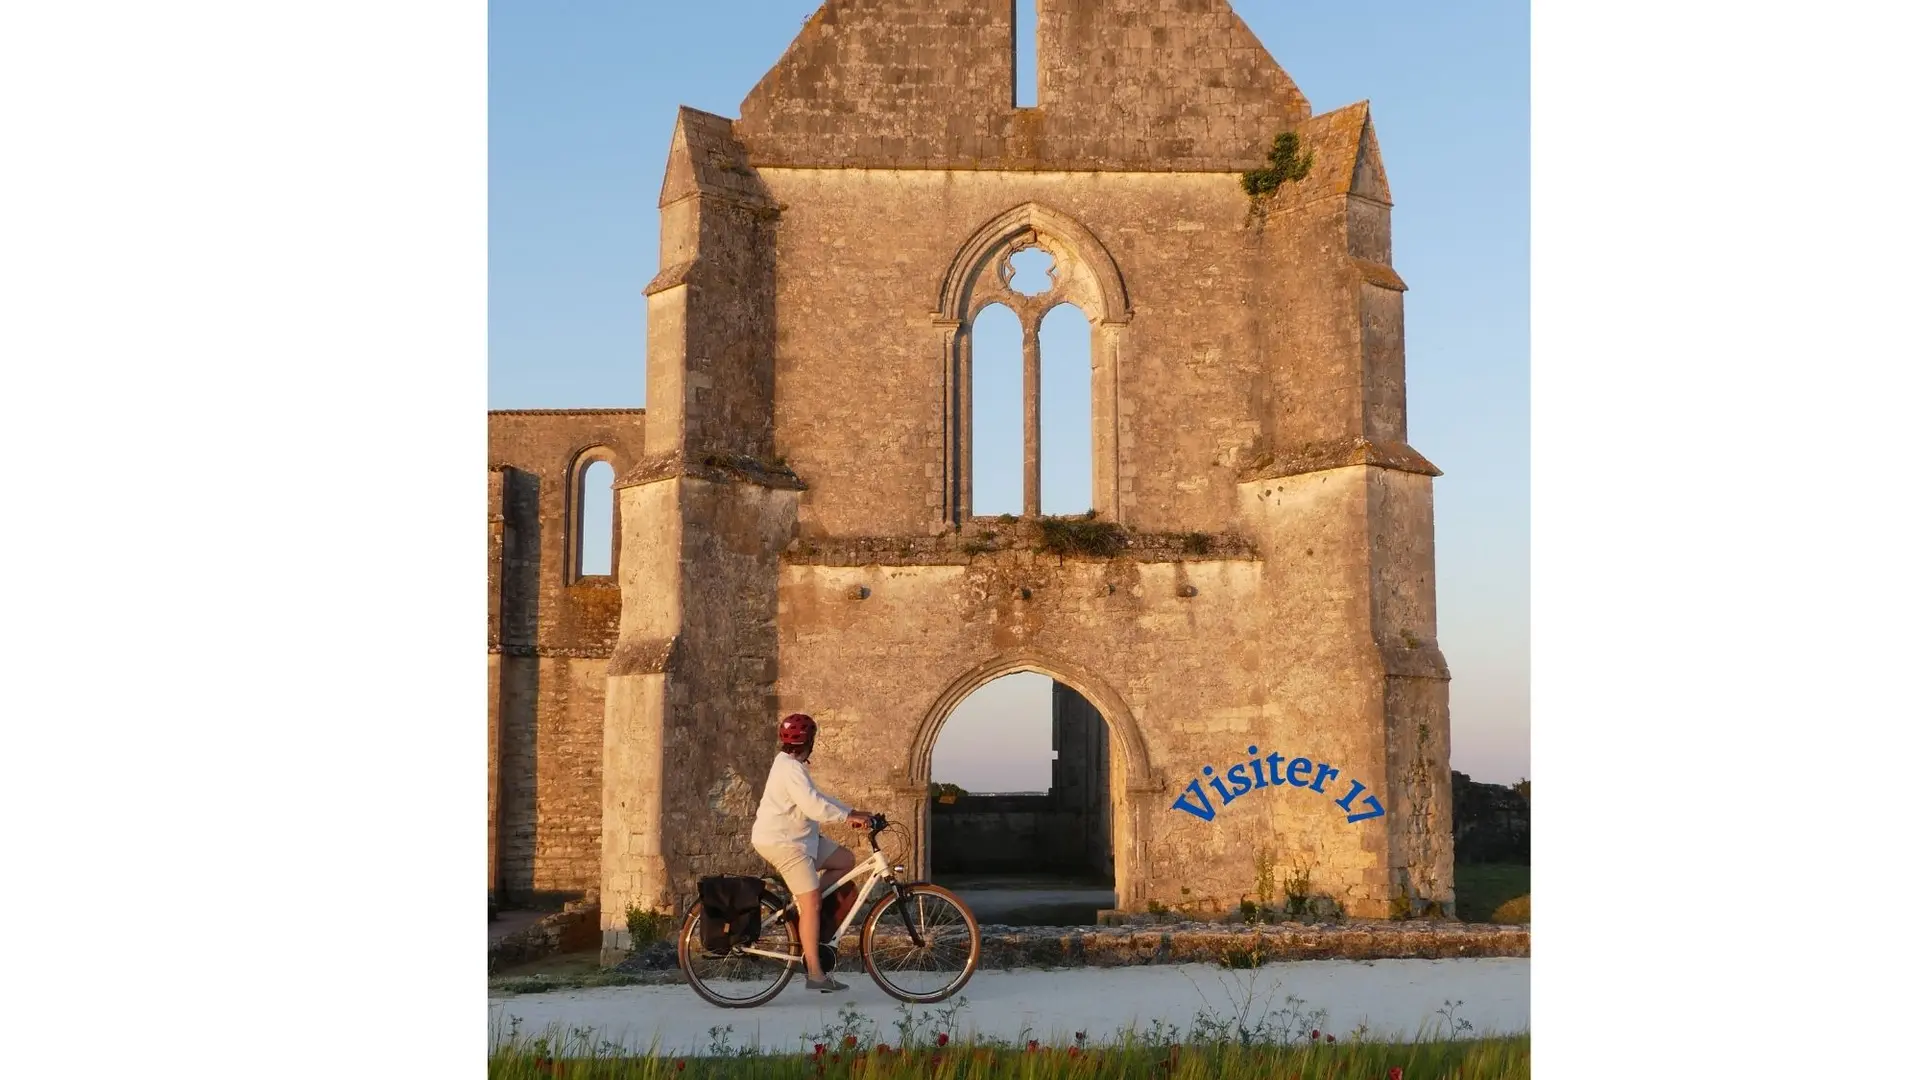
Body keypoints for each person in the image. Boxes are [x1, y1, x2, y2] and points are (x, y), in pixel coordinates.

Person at [750, 712, 874, 993]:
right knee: (813, 902)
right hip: (784, 842)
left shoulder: (791, 765)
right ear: (811, 741)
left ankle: (804, 907)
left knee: (845, 861)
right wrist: (847, 816)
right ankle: (815, 974)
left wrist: (853, 812)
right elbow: (814, 807)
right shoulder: (790, 769)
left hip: (802, 838)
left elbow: (818, 798)